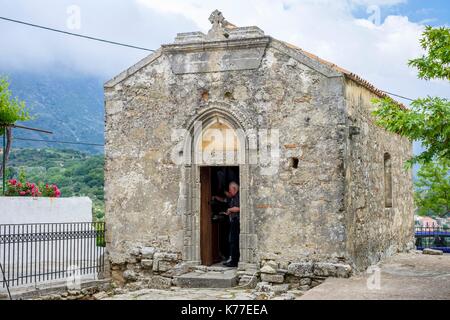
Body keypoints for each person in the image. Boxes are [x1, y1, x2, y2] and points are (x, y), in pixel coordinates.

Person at [213, 181, 240, 267]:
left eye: (230, 190)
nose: (229, 192)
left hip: (236, 221)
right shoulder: (233, 197)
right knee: (232, 241)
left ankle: (234, 261)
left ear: (235, 189)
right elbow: (225, 199)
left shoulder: (239, 196)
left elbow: (240, 208)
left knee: (234, 241)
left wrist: (230, 210)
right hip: (233, 221)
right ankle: (232, 259)